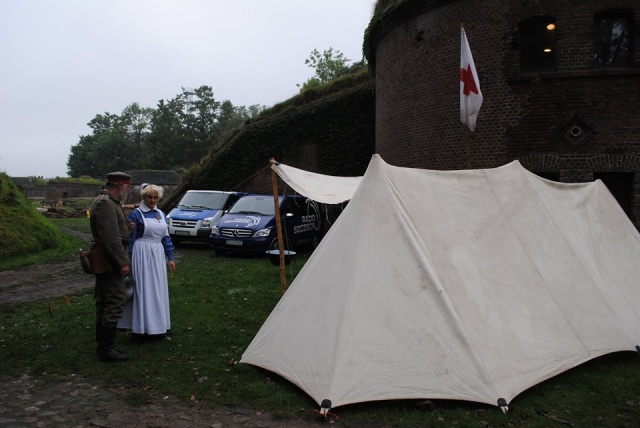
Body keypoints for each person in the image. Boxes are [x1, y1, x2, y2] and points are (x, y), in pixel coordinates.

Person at [118, 183, 176, 339]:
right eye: (149, 197)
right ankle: (141, 327)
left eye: (155, 197)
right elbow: (131, 238)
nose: (152, 200)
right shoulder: (136, 214)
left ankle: (159, 326)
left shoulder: (161, 214)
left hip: (157, 254)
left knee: (158, 289)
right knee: (143, 289)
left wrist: (170, 257)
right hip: (141, 253)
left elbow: (166, 237)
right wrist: (128, 260)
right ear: (144, 197)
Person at [90, 171, 132, 362]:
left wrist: (126, 228)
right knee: (114, 300)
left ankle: (102, 344)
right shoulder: (106, 204)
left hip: (108, 257)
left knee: (104, 301)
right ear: (119, 186)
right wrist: (122, 262)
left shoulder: (109, 202)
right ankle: (107, 348)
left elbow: (114, 231)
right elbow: (110, 238)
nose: (128, 191)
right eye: (126, 187)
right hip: (109, 259)